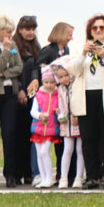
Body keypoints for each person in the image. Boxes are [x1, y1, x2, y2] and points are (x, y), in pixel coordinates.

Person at [67, 14, 104, 190]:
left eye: (102, 27)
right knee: (88, 139)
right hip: (86, 96)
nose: (98, 30)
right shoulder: (80, 47)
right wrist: (83, 54)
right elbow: (73, 70)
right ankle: (92, 176)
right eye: (95, 28)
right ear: (90, 31)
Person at [0, 15, 23, 189]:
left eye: (12, 32)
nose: (11, 35)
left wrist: (1, 74)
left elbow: (19, 67)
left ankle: (10, 175)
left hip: (9, 93)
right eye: (8, 32)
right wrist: (6, 53)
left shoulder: (13, 45)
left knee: (10, 134)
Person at [35, 21, 74, 184]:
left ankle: (64, 173)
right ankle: (51, 174)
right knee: (56, 137)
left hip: (63, 95)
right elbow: (38, 67)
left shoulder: (67, 51)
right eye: (69, 34)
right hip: (51, 95)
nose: (71, 38)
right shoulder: (48, 50)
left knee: (63, 140)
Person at [11, 15, 41, 186]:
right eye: (27, 29)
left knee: (30, 134)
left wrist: (35, 80)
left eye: (33, 29)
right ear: (20, 29)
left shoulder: (36, 46)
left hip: (33, 97)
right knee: (18, 135)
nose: (30, 32)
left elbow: (37, 67)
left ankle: (29, 172)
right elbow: (13, 71)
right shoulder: (13, 46)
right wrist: (20, 89)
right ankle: (17, 172)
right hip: (17, 95)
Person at [52, 56, 84, 189]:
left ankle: (79, 177)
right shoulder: (60, 89)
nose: (64, 79)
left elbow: (80, 101)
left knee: (80, 150)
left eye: (66, 75)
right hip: (66, 124)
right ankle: (63, 177)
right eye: (60, 77)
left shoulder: (77, 85)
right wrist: (61, 115)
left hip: (78, 122)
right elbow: (60, 104)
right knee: (67, 149)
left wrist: (77, 115)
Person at [30, 66, 62, 188]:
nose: (49, 85)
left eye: (52, 82)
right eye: (46, 82)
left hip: (51, 129)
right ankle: (43, 178)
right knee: (39, 154)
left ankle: (49, 177)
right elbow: (33, 111)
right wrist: (40, 115)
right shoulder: (38, 95)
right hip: (38, 128)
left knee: (44, 152)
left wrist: (59, 112)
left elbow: (61, 110)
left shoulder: (57, 95)